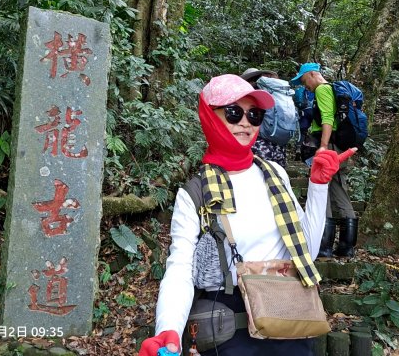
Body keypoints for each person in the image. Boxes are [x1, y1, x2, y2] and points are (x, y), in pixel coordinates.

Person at [139, 74, 356, 356]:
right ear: (210, 117)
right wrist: (168, 329)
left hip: (290, 314)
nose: (245, 122)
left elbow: (307, 251)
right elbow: (179, 268)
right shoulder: (195, 193)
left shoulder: (274, 174)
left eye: (254, 114)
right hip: (230, 326)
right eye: (233, 112)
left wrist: (318, 186)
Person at [291, 63, 358, 259]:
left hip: (328, 146)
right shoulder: (332, 90)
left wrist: (322, 145)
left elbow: (327, 118)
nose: (306, 86)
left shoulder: (322, 90)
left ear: (313, 75)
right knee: (338, 188)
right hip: (339, 145)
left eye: (305, 81)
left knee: (324, 191)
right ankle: (347, 247)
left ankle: (324, 245)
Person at [240, 68, 288, 168]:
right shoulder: (274, 93)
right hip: (279, 147)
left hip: (260, 147)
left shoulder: (252, 97)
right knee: (278, 179)